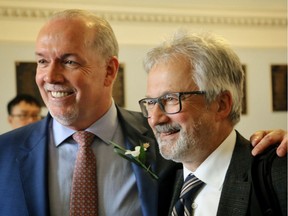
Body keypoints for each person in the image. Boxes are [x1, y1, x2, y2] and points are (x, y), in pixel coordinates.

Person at [0, 9, 286, 216]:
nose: (50, 76)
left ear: (110, 70)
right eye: (41, 61)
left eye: (69, 61)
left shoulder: (163, 143)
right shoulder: (5, 154)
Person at [139, 30, 287, 215]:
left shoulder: (278, 175)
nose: (155, 118)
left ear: (221, 104)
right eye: (151, 102)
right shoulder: (160, 183)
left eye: (170, 99)